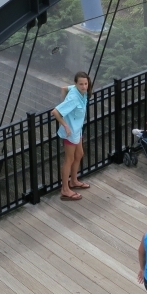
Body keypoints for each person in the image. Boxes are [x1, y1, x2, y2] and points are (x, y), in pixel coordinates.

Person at [54, 71, 90, 201]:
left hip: (77, 129)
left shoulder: (78, 90)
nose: (84, 87)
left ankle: (74, 181)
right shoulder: (74, 98)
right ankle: (65, 189)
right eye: (81, 84)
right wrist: (65, 125)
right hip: (71, 132)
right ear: (76, 84)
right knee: (68, 160)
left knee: (79, 154)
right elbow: (56, 112)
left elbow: (64, 88)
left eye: (86, 83)